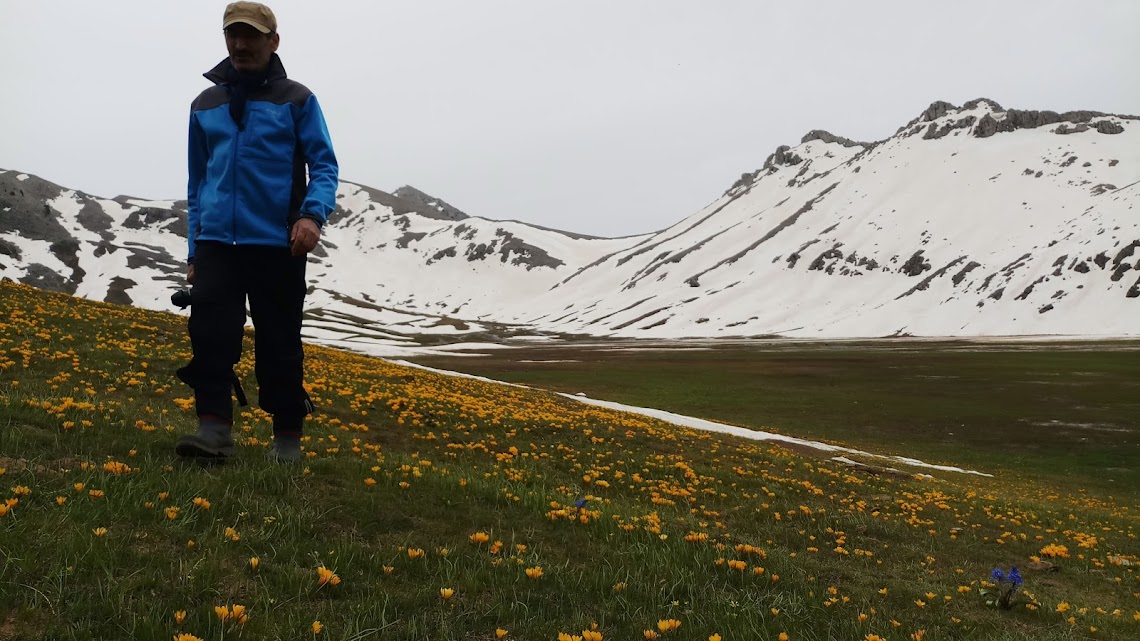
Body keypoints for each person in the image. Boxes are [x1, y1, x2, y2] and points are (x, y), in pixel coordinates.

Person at [175, 1, 338, 462]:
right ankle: (213, 430)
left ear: (273, 41)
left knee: (279, 342)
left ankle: (287, 438)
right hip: (216, 246)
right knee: (209, 334)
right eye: (233, 35)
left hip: (278, 243)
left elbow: (323, 165)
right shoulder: (204, 104)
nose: (240, 44)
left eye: (251, 35)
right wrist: (194, 249)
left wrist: (312, 215)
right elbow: (198, 181)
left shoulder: (298, 100)